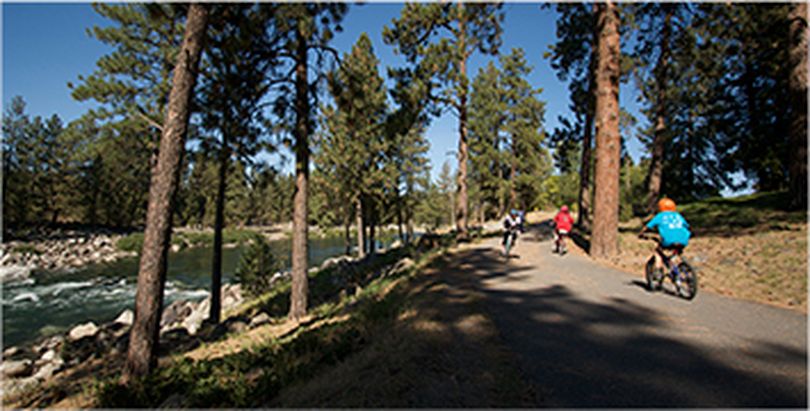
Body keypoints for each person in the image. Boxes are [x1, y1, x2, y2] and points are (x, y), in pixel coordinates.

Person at [638, 198, 691, 276]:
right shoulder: (678, 215)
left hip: (668, 239)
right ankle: (679, 266)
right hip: (683, 239)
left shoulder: (660, 216)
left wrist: (641, 234)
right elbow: (687, 226)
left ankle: (658, 270)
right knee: (676, 251)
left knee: (658, 251)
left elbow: (648, 227)